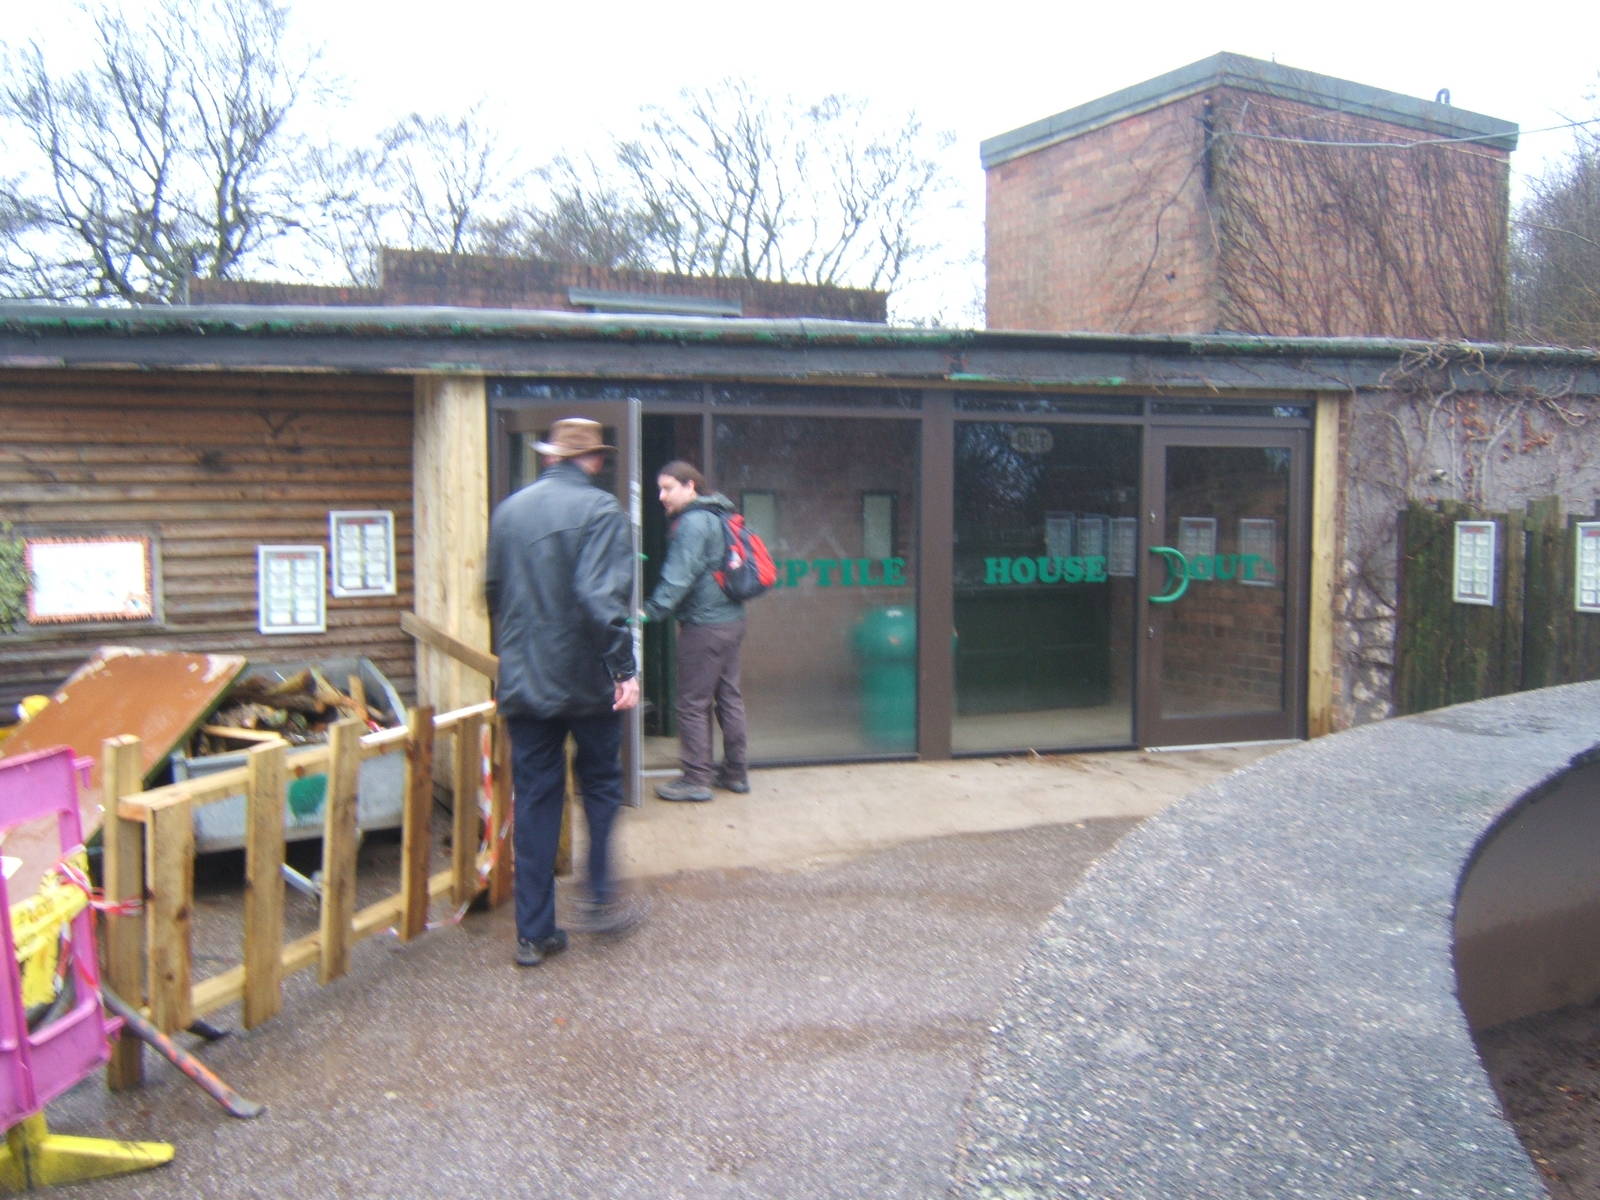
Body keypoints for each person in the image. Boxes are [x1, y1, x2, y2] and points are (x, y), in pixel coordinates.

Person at [485, 417, 641, 967]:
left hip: (525, 682)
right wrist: (624, 668)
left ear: (551, 457)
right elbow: (600, 599)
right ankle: (599, 898)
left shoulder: (508, 512)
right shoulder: (602, 512)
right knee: (599, 787)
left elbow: (494, 594)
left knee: (535, 799)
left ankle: (534, 934)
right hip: (585, 682)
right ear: (593, 460)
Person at [645, 460, 750, 802]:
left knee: (692, 703)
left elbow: (678, 576)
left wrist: (648, 611)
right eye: (660, 489)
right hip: (730, 622)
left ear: (690, 486)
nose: (661, 496)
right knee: (729, 697)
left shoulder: (692, 523)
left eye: (668, 488)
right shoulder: (718, 515)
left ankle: (695, 779)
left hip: (704, 626)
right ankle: (735, 773)